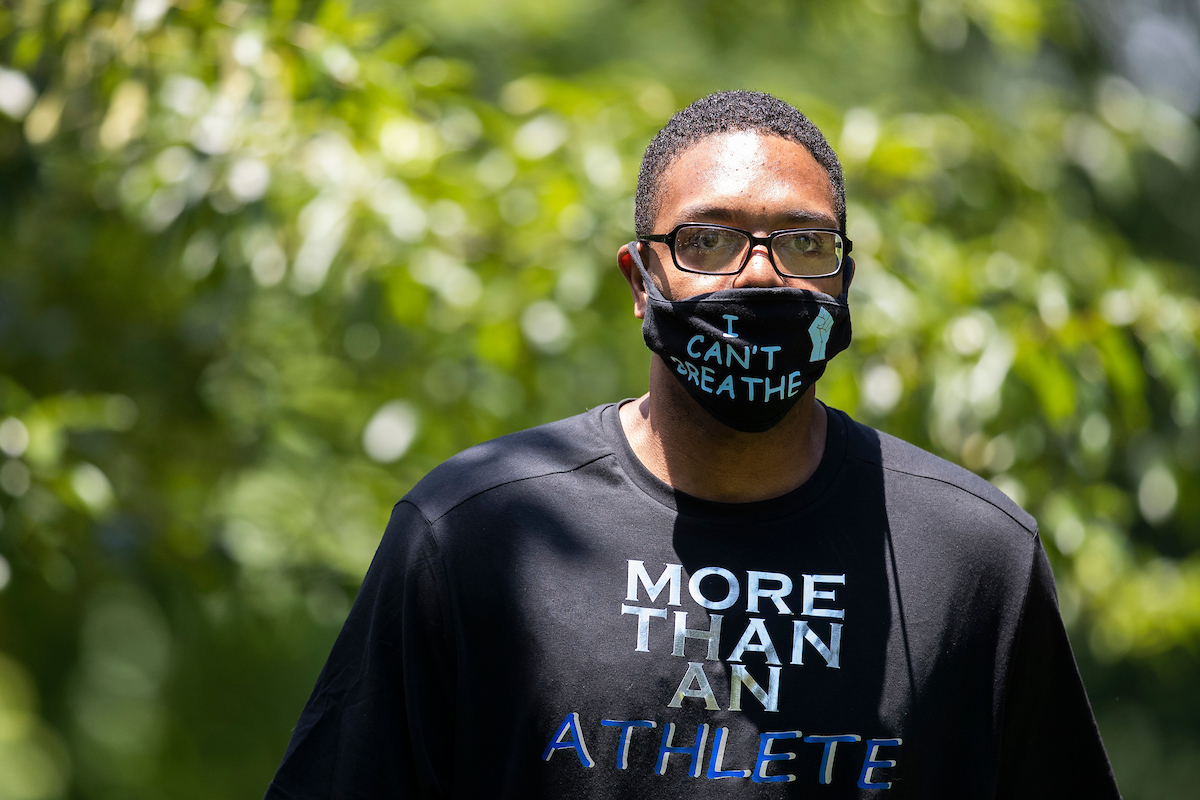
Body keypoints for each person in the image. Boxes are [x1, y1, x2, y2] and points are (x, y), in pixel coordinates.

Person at [264, 91, 1120, 798]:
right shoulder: (478, 533)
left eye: (802, 243)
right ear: (640, 282)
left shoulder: (973, 558)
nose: (758, 274)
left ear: (843, 279)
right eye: (707, 240)